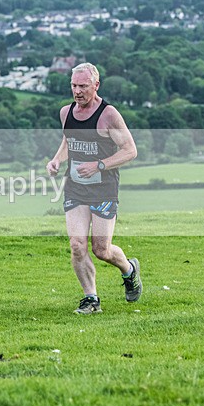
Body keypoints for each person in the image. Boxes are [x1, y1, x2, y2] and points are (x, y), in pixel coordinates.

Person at [46, 62, 141, 314]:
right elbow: (69, 139)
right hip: (75, 188)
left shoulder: (109, 115)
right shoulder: (66, 112)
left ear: (96, 85)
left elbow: (130, 150)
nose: (77, 91)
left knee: (101, 250)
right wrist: (57, 159)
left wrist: (99, 164)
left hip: (104, 189)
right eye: (74, 86)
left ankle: (129, 270)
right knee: (77, 244)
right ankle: (91, 299)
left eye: (83, 86)